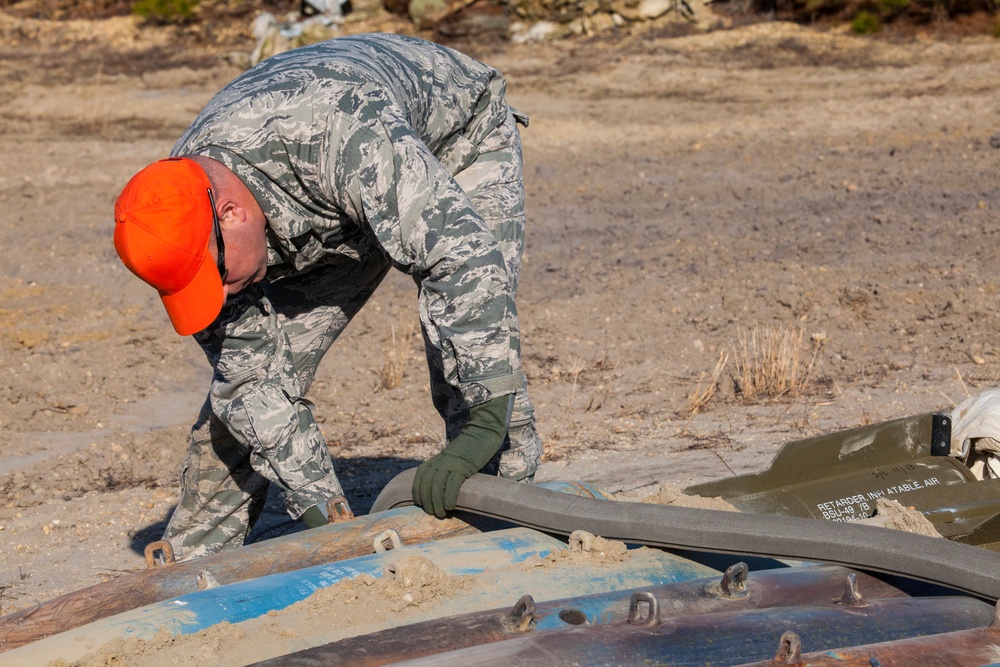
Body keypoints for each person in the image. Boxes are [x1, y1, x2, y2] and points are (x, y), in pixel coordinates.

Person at [113, 33, 543, 561]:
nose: (217, 294)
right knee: (245, 385)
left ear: (231, 215)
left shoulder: (333, 129)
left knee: (465, 344)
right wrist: (331, 524)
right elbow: (253, 383)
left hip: (453, 143)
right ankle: (198, 559)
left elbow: (463, 262)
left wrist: (483, 426)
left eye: (215, 275)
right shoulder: (176, 211)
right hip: (328, 204)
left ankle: (510, 517)